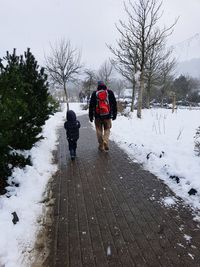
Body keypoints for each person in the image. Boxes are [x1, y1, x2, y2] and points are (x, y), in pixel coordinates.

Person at [89, 81, 117, 151]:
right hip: (107, 116)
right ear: (104, 85)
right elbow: (114, 104)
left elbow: (91, 106)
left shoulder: (94, 94)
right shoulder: (110, 92)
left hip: (98, 117)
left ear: (98, 86)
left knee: (99, 130)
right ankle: (105, 141)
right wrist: (114, 114)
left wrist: (91, 116)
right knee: (107, 129)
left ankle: (101, 145)